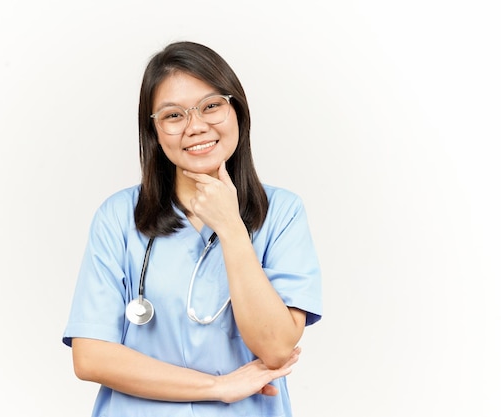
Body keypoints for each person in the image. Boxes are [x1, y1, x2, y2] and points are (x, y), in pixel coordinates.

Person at [62, 41, 322, 417]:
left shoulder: (281, 213)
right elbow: (91, 357)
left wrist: (231, 227)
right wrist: (217, 387)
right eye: (173, 116)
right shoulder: (119, 217)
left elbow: (277, 347)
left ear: (237, 111)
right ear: (153, 131)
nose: (196, 126)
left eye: (211, 105)